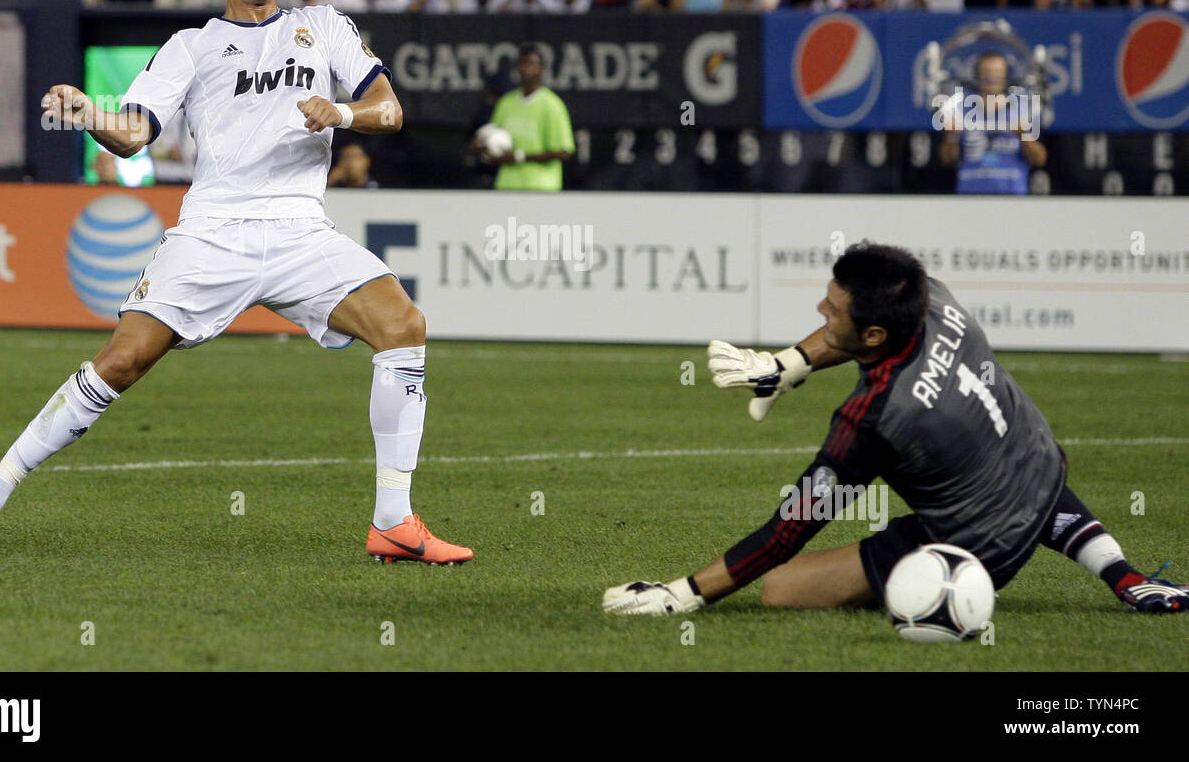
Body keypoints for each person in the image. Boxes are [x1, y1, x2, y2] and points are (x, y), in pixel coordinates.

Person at [0, 0, 472, 566]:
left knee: (403, 325)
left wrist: (345, 113)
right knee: (122, 362)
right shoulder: (192, 47)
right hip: (215, 232)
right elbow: (130, 137)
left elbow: (390, 111)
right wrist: (87, 112)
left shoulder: (324, 26)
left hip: (301, 230)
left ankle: (393, 520)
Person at [604, 243, 1189, 616]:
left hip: (978, 549)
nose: (820, 313)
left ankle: (947, 587)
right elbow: (852, 336)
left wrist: (686, 591)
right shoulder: (931, 297)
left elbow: (790, 529)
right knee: (997, 451)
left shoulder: (875, 419)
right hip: (1041, 466)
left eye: (832, 311)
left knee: (782, 588)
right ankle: (1125, 575)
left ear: (876, 336)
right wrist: (788, 365)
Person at [938, 51, 1046, 194]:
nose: (991, 77)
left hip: (1012, 197)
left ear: (1006, 75)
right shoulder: (962, 110)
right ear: (977, 74)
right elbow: (947, 160)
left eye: (997, 72)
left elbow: (1039, 159)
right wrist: (951, 136)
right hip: (969, 197)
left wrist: (1023, 135)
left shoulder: (1021, 110)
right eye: (986, 72)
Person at [472, 44, 574, 192]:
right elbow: (493, 136)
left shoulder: (552, 105)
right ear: (517, 68)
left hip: (542, 187)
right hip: (507, 186)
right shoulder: (506, 102)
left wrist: (519, 157)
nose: (527, 69)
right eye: (523, 63)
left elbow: (564, 152)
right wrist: (481, 146)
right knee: (509, 217)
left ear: (542, 69)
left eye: (533, 63)